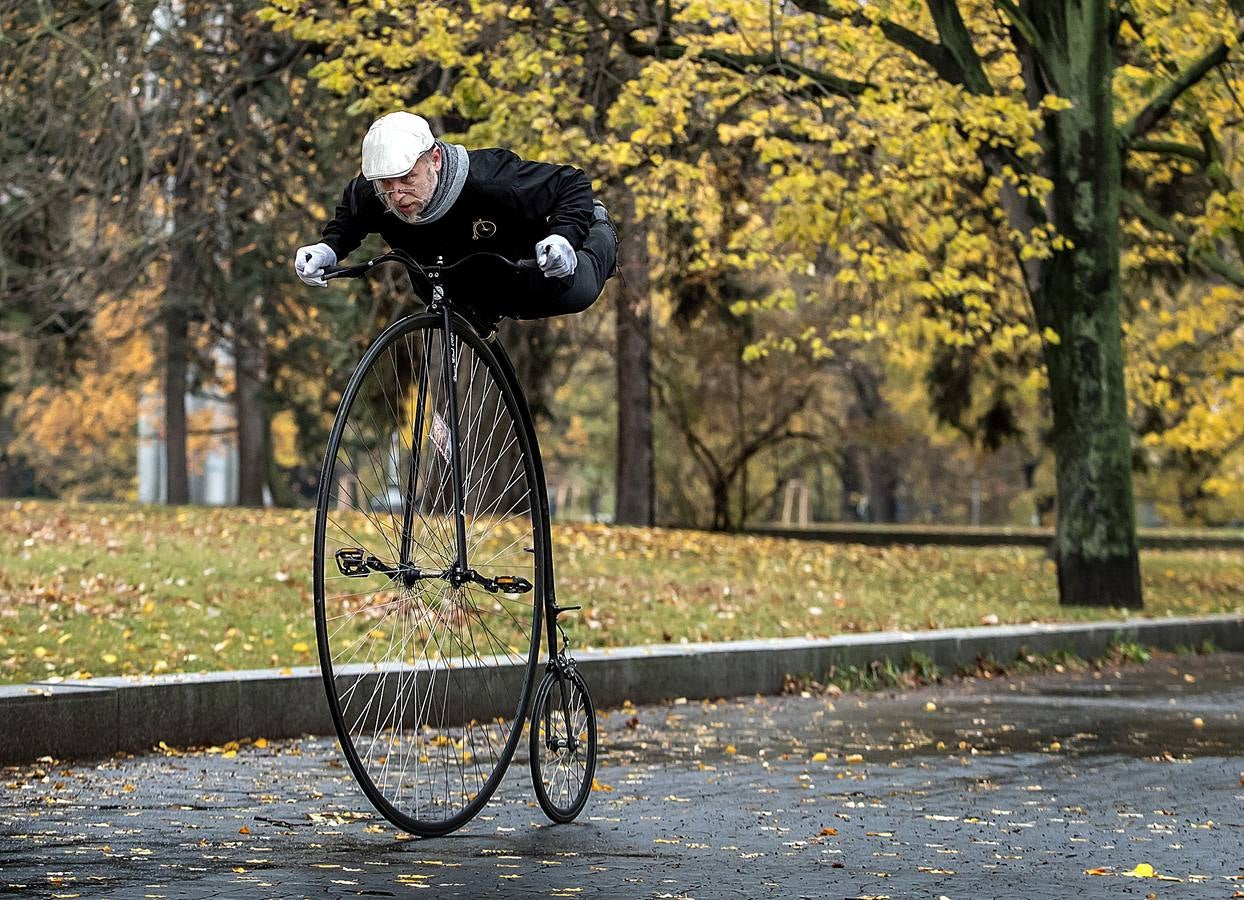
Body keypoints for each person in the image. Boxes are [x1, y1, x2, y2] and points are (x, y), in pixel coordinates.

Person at [295, 111, 617, 320]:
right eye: (386, 184)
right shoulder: (377, 194)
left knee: (582, 288)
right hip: (458, 295)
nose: (397, 194)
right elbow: (351, 216)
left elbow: (571, 183)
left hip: (533, 277)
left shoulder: (491, 179)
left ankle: (600, 227)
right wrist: (327, 250)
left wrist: (562, 238)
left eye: (407, 178)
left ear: (434, 159)